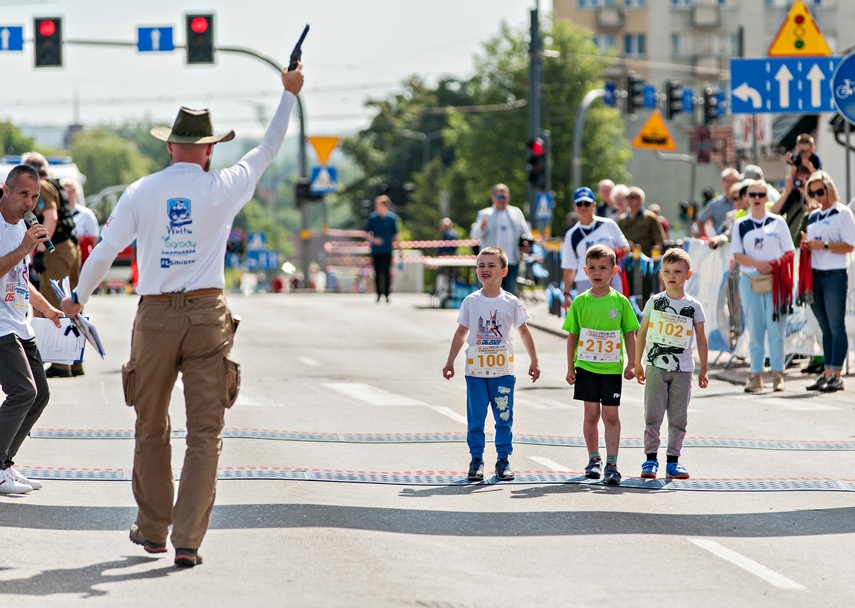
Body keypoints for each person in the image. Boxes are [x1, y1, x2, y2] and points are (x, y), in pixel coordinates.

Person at [60, 62, 305, 567]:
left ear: (169, 146)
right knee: (205, 431)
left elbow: (105, 251)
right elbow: (269, 149)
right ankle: (188, 540)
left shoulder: (142, 190)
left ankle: (152, 530)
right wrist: (288, 94)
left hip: (153, 316)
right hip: (206, 314)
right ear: (210, 149)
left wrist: (78, 297)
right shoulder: (225, 185)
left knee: (151, 425)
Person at [442, 246, 540, 482]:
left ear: (504, 271)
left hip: (502, 372)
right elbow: (461, 332)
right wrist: (450, 360)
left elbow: (524, 332)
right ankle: (476, 459)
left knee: (504, 416)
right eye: (481, 265)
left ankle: (503, 460)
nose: (485, 269)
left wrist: (534, 360)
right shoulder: (471, 301)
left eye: (491, 265)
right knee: (476, 418)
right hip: (475, 372)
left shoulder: (511, 302)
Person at [0, 164, 63, 494]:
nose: (29, 203)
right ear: (6, 189)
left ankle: (5, 463)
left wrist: (47, 308)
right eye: (23, 194)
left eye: (35, 197)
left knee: (40, 395)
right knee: (22, 391)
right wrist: (24, 248)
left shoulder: (22, 227)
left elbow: (20, 280)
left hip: (19, 321)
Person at [564, 244, 639, 486]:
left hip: (611, 370)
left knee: (611, 414)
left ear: (614, 271)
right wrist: (570, 366)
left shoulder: (620, 302)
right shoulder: (580, 302)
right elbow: (572, 335)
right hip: (586, 368)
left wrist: (632, 362)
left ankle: (612, 463)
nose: (598, 273)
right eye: (593, 268)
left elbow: (629, 332)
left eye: (603, 268)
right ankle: (593, 459)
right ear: (585, 271)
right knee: (591, 413)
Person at [634, 248, 708, 480]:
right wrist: (637, 363)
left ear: (688, 275)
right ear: (661, 275)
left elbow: (702, 338)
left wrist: (703, 368)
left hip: (683, 369)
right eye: (666, 271)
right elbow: (643, 332)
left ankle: (673, 461)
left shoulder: (694, 306)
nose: (671, 275)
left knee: (678, 417)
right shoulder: (655, 302)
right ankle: (650, 459)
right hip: (656, 366)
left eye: (677, 271)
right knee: (653, 414)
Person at [731, 180, 795, 393]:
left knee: (776, 329)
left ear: (767, 198)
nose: (757, 198)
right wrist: (760, 264)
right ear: (747, 198)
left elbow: (789, 250)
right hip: (751, 281)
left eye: (761, 194)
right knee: (755, 330)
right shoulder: (741, 224)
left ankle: (778, 374)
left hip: (776, 283)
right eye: (753, 194)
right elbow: (738, 255)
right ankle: (756, 375)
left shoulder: (778, 222)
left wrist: (773, 265)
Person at [22, 151, 82, 379]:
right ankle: (74, 360)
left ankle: (60, 362)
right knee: (71, 301)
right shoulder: (54, 185)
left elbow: (51, 218)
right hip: (67, 247)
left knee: (56, 299)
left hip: (56, 249)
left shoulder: (44, 186)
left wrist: (38, 248)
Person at [801, 171, 855, 393]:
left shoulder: (843, 213)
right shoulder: (813, 216)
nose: (816, 195)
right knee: (825, 327)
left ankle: (836, 374)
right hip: (815, 273)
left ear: (829, 189)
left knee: (836, 325)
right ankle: (827, 372)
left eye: (820, 191)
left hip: (834, 273)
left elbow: (850, 245)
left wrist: (822, 245)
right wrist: (808, 244)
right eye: (812, 192)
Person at [561, 186, 629, 309]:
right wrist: (566, 294)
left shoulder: (608, 224)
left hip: (611, 278)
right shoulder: (571, 234)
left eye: (586, 203)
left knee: (615, 316)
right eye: (579, 203)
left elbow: (626, 247)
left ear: (594, 204)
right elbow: (569, 267)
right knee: (589, 321)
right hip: (585, 280)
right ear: (574, 206)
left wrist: (613, 254)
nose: (583, 207)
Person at [470, 183, 532, 295]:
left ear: (508, 197)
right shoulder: (485, 213)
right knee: (487, 294)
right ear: (493, 197)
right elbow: (474, 235)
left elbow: (526, 233)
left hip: (511, 261)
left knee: (509, 294)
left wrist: (526, 244)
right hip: (490, 263)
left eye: (505, 196)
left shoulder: (516, 213)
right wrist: (482, 227)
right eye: (499, 197)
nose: (502, 200)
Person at [365, 194, 400, 303]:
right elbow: (367, 232)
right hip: (376, 250)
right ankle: (378, 294)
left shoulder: (392, 218)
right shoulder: (373, 218)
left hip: (387, 249)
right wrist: (374, 240)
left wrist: (399, 247)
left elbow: (395, 234)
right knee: (377, 272)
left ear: (385, 206)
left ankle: (387, 294)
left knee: (386, 272)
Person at [62, 177, 100, 266]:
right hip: (62, 256)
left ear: (76, 193)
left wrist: (81, 238)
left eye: (71, 192)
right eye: (65, 193)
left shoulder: (86, 214)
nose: (68, 196)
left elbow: (95, 237)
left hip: (81, 256)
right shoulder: (57, 213)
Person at [696, 168, 739, 237]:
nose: (731, 184)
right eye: (728, 181)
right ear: (722, 182)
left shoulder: (744, 202)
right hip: (721, 244)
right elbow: (700, 221)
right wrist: (708, 239)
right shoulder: (715, 204)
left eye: (733, 181)